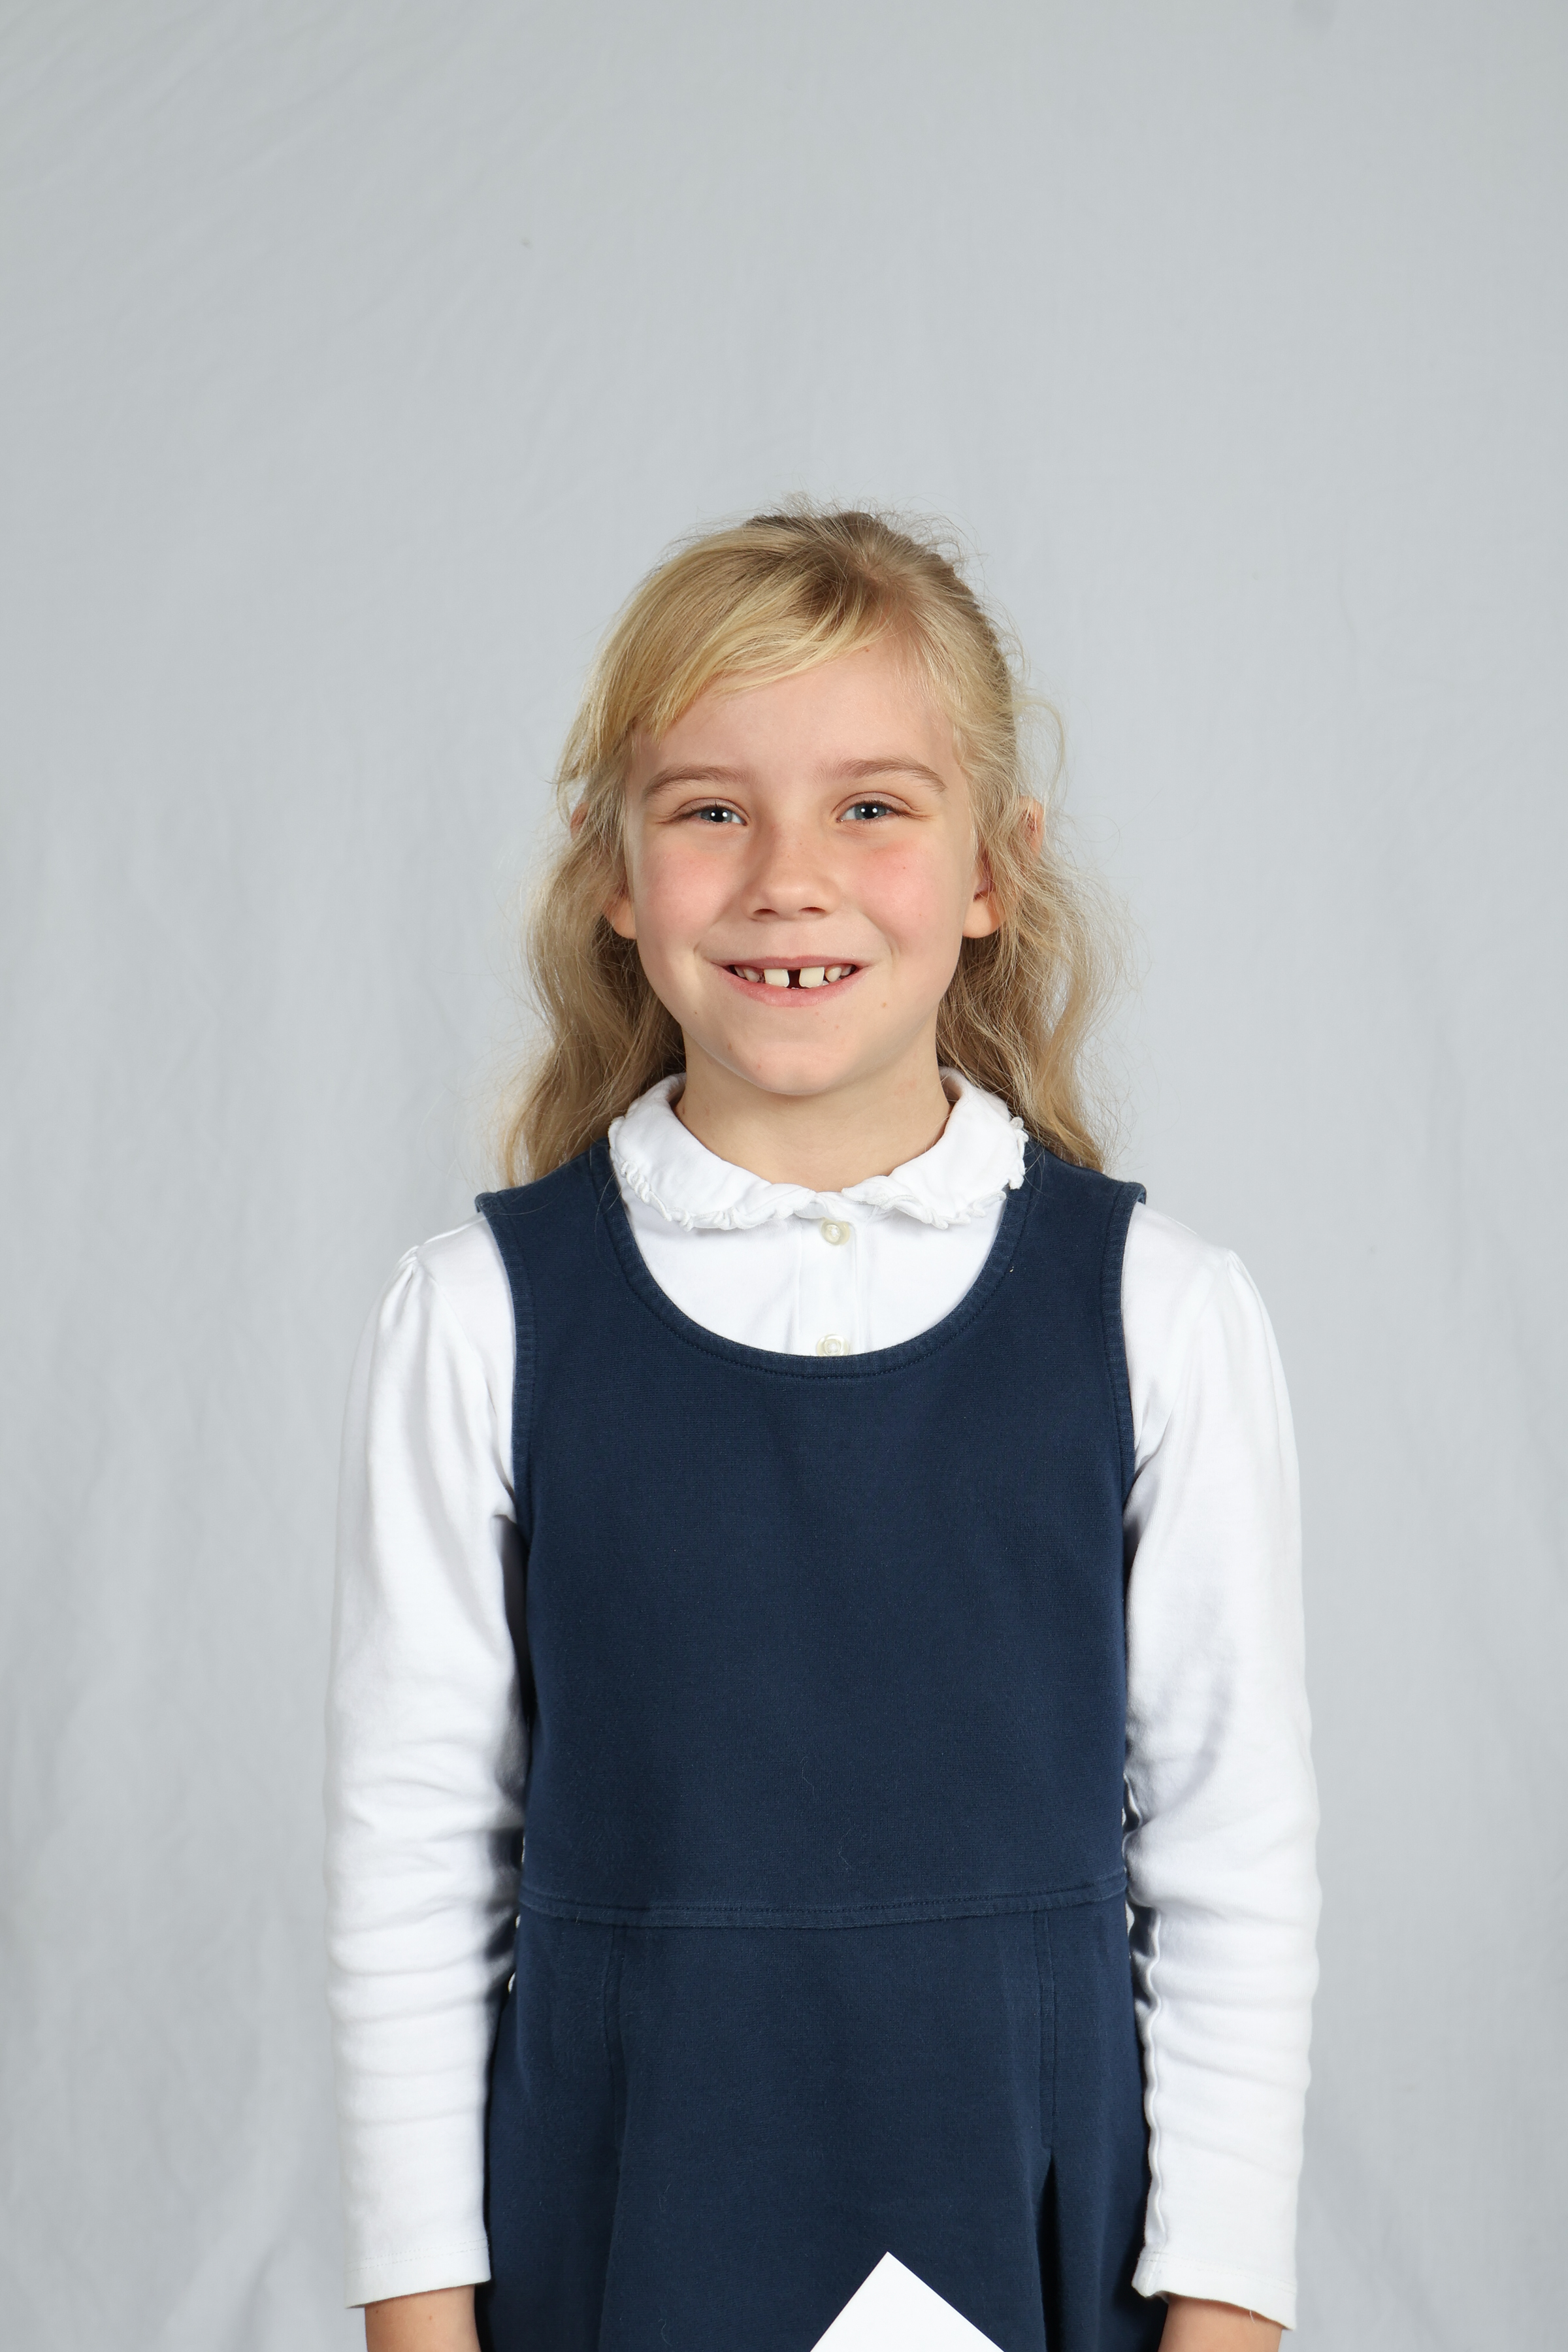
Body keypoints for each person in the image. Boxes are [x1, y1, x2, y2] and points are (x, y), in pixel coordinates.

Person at [325, 508, 1320, 2352]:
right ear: (613, 871)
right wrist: (420, 2316)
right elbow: (415, 1862)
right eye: (713, 809)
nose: (791, 879)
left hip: (1028, 2199)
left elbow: (1232, 1862)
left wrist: (1225, 2310)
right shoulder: (475, 1318)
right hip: (623, 2205)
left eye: (872, 806)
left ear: (994, 870)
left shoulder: (1159, 1313)